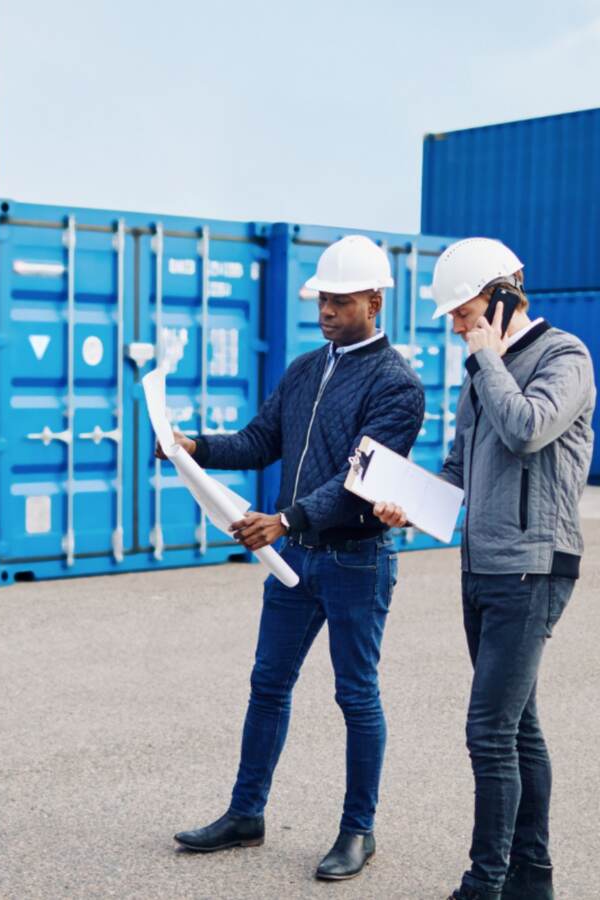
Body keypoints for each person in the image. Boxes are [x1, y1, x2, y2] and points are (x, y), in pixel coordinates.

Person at [163, 235, 424, 881]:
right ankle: (245, 815)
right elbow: (259, 441)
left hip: (354, 561)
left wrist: (284, 519)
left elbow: (360, 480)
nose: (327, 310)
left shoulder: (398, 386)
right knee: (267, 686)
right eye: (322, 300)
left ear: (374, 299)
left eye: (339, 300)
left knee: (355, 695)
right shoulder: (307, 368)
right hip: (294, 561)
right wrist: (190, 444)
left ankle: (357, 831)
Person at [374, 238, 595, 900]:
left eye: (464, 312)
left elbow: (529, 427)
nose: (456, 326)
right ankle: (533, 880)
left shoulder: (565, 356)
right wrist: (404, 502)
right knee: (519, 727)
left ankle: (485, 883)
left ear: (503, 296)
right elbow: (455, 469)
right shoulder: (481, 370)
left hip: (534, 569)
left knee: (489, 733)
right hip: (483, 569)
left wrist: (487, 357)